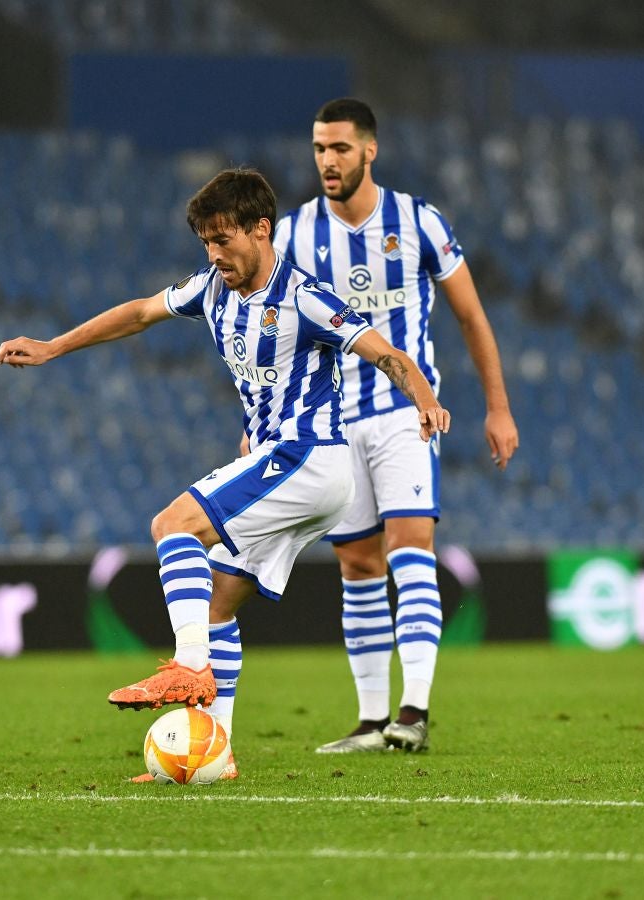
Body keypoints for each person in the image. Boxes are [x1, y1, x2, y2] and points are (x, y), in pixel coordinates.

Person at [0, 168, 449, 780]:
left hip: (308, 456)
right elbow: (138, 314)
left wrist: (424, 399)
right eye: (206, 242)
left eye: (223, 240)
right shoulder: (209, 289)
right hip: (286, 463)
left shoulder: (305, 296)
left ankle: (189, 665)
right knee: (216, 603)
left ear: (261, 229)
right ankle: (215, 750)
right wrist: (54, 346)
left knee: (172, 524)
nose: (214, 254)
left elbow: (385, 352)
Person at [271, 98, 520, 753]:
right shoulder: (293, 234)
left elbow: (470, 315)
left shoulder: (417, 221)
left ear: (369, 150)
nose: (328, 161)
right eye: (319, 149)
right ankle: (371, 721)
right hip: (332, 421)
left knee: (410, 547)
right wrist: (265, 416)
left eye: (340, 148)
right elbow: (277, 330)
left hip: (404, 413)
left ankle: (414, 712)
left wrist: (497, 406)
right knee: (357, 564)